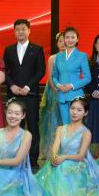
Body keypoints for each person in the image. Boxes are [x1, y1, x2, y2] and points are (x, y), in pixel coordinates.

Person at [35, 98, 99, 196]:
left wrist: (64, 157)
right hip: (60, 160)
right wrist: (54, 156)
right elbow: (55, 147)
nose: (74, 112)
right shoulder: (61, 129)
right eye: (72, 108)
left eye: (79, 110)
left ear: (85, 113)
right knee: (53, 170)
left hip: (77, 163)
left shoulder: (86, 133)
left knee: (63, 167)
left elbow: (81, 156)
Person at [3, 19, 46, 161]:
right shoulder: (9, 50)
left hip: (31, 94)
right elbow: (5, 71)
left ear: (29, 30)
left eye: (23, 29)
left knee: (33, 126)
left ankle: (33, 160)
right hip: (14, 94)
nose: (20, 32)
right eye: (18, 29)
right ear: (14, 32)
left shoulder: (37, 49)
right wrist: (12, 86)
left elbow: (41, 71)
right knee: (14, 126)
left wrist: (28, 86)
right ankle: (15, 157)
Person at [51, 26, 92, 125]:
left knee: (76, 125)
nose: (70, 40)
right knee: (65, 125)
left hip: (75, 94)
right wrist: (58, 85)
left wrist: (71, 86)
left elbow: (87, 78)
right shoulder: (58, 56)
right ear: (64, 39)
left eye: (73, 37)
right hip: (62, 95)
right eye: (67, 37)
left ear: (77, 39)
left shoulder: (82, 56)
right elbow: (54, 75)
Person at [37, 33, 64, 165]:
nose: (63, 43)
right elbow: (50, 76)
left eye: (65, 41)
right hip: (53, 89)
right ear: (57, 43)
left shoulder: (73, 57)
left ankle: (64, 148)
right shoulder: (52, 58)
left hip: (68, 90)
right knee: (52, 117)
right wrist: (55, 89)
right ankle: (50, 150)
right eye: (60, 41)